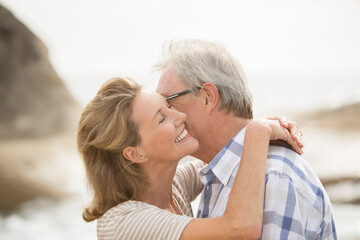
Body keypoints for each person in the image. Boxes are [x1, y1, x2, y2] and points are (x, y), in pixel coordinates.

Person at [77, 77, 303, 240]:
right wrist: (258, 131)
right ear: (135, 153)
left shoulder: (173, 188)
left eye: (168, 105)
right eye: (162, 118)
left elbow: (224, 157)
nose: (181, 116)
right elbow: (241, 228)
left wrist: (269, 126)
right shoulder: (124, 223)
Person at [156, 39, 337, 239]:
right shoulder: (219, 170)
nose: (167, 116)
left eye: (169, 103)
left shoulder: (273, 176)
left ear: (208, 96)